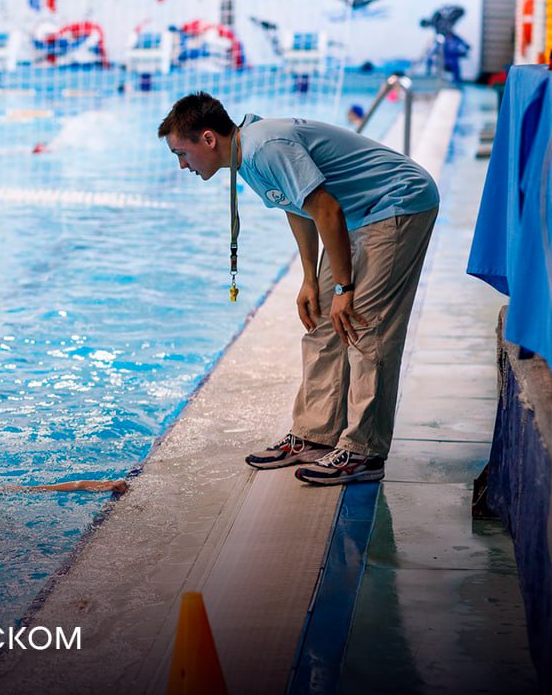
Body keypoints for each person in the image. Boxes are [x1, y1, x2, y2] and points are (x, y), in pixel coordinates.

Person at [158, 92, 438, 485]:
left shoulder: (265, 148)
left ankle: (364, 451)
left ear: (208, 138)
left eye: (181, 154)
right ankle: (316, 435)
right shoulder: (244, 156)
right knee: (322, 319)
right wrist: (310, 279)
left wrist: (344, 287)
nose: (183, 165)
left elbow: (327, 210)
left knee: (364, 324)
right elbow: (299, 207)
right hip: (357, 213)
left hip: (396, 201)